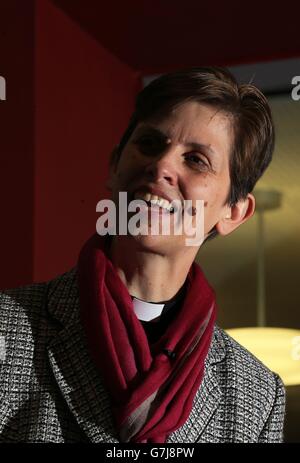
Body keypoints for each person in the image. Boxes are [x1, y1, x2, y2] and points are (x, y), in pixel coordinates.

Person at [0, 67, 286, 443]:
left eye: (196, 159)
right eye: (151, 144)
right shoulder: (7, 329)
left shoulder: (259, 395)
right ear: (115, 164)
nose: (163, 165)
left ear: (233, 212)